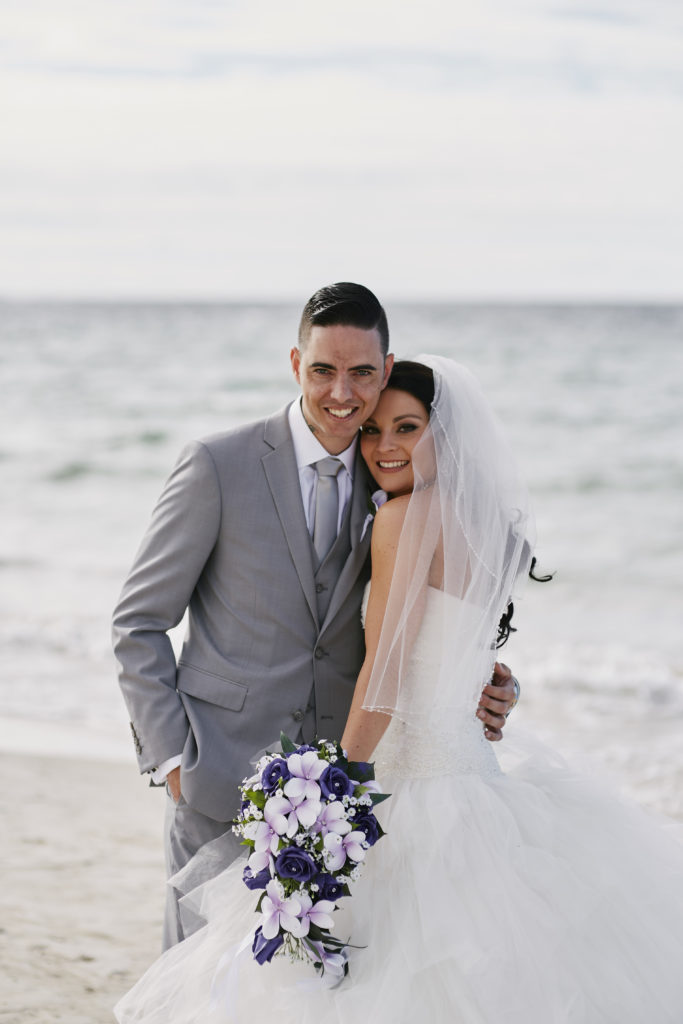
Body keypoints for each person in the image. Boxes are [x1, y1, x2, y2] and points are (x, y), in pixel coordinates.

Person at [114, 356, 683, 1023]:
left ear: (446, 435)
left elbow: (383, 677)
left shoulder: (402, 518)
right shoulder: (491, 527)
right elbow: (459, 651)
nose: (383, 445)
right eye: (373, 430)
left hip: (409, 788)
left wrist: (334, 797)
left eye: (406, 428)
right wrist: (496, 685)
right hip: (478, 783)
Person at [112, 284, 518, 950]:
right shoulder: (218, 464)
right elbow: (137, 622)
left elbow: (425, 621)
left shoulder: (390, 475)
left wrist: (487, 680)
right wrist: (174, 762)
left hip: (345, 794)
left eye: (361, 372)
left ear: (385, 371)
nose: (342, 392)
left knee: (308, 987)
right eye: (324, 369)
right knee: (195, 978)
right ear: (296, 364)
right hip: (219, 779)